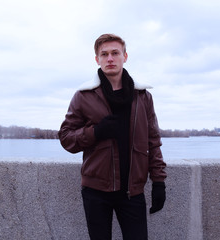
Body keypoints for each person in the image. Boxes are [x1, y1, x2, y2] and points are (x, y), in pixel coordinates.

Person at [58, 33, 167, 240]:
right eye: (104, 54)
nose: (110, 58)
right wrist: (95, 132)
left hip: (133, 191)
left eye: (115, 53)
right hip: (95, 192)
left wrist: (159, 182)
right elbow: (66, 138)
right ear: (97, 59)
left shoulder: (142, 96)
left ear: (125, 56)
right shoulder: (83, 95)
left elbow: (153, 142)